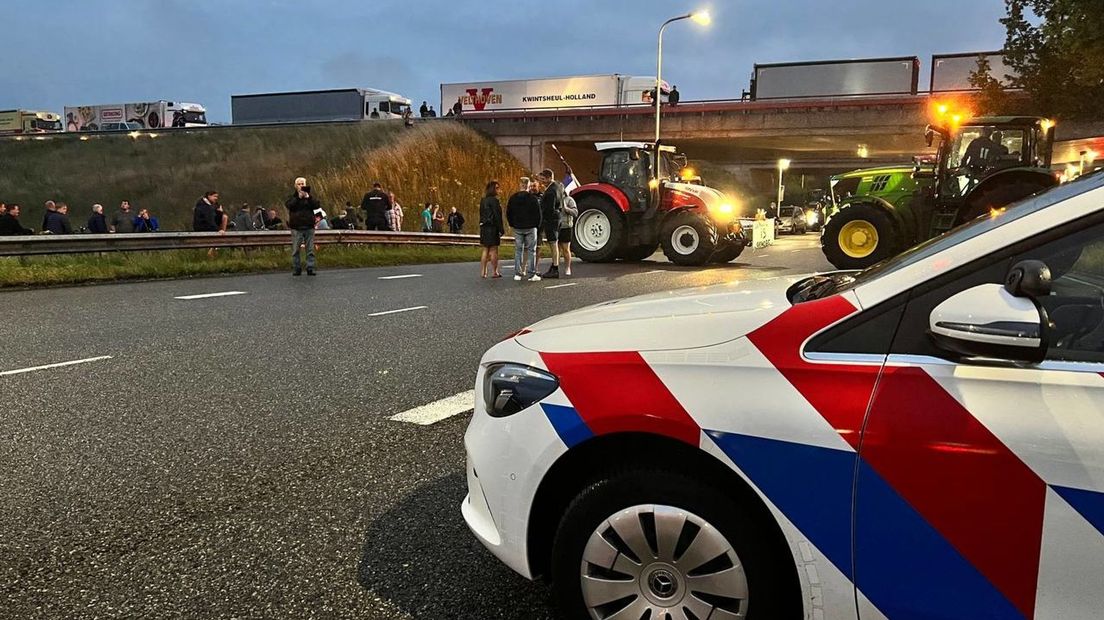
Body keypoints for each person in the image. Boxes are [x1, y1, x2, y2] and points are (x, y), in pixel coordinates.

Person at [506, 177, 542, 281]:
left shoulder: (513, 198)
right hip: (531, 227)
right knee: (531, 250)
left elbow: (508, 212)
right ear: (528, 185)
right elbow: (538, 214)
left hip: (517, 227)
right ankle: (531, 274)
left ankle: (518, 273)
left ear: (520, 185)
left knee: (518, 250)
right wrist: (537, 225)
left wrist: (512, 223)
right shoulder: (532, 198)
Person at [286, 177, 320, 276]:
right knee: (296, 249)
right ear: (295, 186)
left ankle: (310, 267)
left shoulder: (310, 197)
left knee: (310, 249)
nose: (301, 186)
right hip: (296, 227)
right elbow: (289, 205)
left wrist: (308, 197)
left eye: (302, 184)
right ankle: (297, 268)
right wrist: (298, 198)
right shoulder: (292, 197)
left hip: (309, 226)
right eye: (299, 184)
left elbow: (316, 205)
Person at [537, 168, 566, 279]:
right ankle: (554, 266)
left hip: (551, 221)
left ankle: (555, 267)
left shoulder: (550, 191)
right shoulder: (557, 187)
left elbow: (548, 209)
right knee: (555, 243)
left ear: (549, 177)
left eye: (543, 179)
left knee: (553, 244)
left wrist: (542, 220)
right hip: (557, 218)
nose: (542, 182)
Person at [479, 180, 504, 278]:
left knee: (485, 249)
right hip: (493, 227)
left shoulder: (483, 200)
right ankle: (495, 271)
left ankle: (483, 272)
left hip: (484, 227)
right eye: (497, 188)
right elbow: (497, 216)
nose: (498, 190)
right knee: (493, 250)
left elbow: (481, 215)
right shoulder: (495, 201)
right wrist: (501, 229)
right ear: (493, 189)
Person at [558, 191, 579, 276]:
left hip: (566, 227)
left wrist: (567, 209)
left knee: (566, 249)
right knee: (556, 249)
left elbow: (575, 213)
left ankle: (567, 268)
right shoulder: (555, 199)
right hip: (556, 227)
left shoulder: (569, 200)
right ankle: (555, 267)